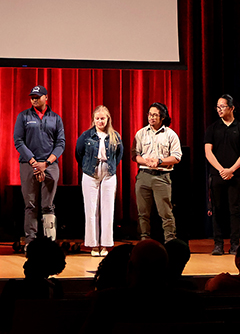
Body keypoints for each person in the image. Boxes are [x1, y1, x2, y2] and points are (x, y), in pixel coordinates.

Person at [13, 85, 65, 245]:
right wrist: (34, 163)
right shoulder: (23, 116)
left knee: (48, 205)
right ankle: (30, 242)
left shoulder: (55, 118)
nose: (34, 99)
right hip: (29, 164)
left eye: (37, 97)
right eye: (32, 97)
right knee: (30, 205)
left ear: (46, 98)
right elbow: (18, 141)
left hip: (50, 165)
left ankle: (50, 243)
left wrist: (47, 162)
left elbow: (61, 143)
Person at [203, 94, 240, 255]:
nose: (219, 110)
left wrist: (231, 170)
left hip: (235, 176)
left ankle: (235, 244)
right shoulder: (212, 128)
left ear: (231, 108)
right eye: (218, 107)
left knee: (234, 210)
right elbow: (208, 152)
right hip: (217, 175)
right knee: (217, 210)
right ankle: (218, 244)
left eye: (222, 106)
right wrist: (221, 170)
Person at [75, 105, 123, 257]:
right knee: (91, 209)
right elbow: (79, 153)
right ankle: (93, 245)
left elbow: (119, 154)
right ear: (93, 119)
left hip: (108, 173)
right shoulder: (86, 136)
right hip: (91, 173)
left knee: (108, 209)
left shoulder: (115, 136)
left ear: (108, 119)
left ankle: (105, 245)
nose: (100, 121)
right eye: (97, 119)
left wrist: (110, 167)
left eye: (102, 118)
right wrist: (87, 167)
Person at [131, 102, 182, 242]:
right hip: (144, 175)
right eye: (150, 114)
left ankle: (170, 240)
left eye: (155, 115)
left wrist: (159, 161)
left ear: (162, 117)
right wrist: (146, 161)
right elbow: (134, 155)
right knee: (143, 213)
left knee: (166, 212)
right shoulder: (141, 133)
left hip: (162, 176)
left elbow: (177, 157)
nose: (151, 117)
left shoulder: (170, 134)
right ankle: (144, 239)